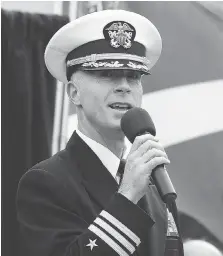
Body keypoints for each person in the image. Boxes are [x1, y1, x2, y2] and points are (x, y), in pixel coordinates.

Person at [16, 10, 183, 256]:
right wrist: (127, 196)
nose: (124, 87)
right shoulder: (45, 183)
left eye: (134, 76)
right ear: (74, 93)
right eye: (107, 74)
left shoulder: (156, 186)